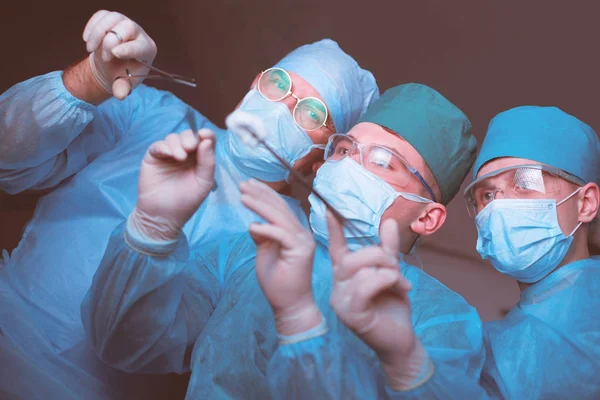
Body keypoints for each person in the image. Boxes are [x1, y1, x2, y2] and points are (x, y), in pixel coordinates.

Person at [0, 9, 378, 399]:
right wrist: (91, 78)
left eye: (311, 112)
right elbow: (7, 158)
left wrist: (154, 232)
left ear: (322, 158)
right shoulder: (155, 113)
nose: (281, 106)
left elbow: (143, 345)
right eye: (278, 83)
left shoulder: (290, 248)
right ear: (254, 83)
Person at [220, 83, 489, 399]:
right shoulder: (255, 251)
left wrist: (404, 363)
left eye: (383, 162)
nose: (348, 165)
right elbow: (153, 333)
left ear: (427, 218)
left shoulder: (443, 321)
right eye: (345, 149)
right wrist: (153, 232)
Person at [463, 106, 600, 399]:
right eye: (487, 195)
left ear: (586, 203)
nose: (500, 205)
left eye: (525, 182)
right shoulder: (487, 354)